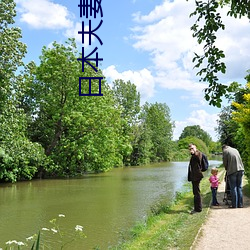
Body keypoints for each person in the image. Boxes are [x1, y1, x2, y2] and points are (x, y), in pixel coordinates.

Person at [188, 143, 204, 214]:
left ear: (195, 148)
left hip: (196, 176)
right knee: (196, 192)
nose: (191, 150)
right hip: (195, 176)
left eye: (192, 148)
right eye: (190, 149)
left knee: (196, 192)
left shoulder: (198, 154)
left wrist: (194, 152)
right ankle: (197, 208)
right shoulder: (194, 155)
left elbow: (198, 158)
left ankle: (198, 209)